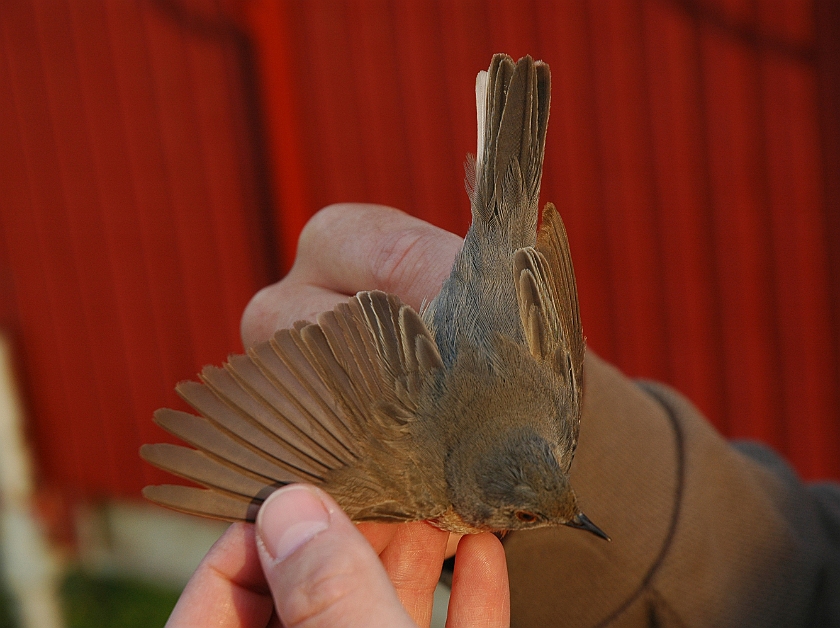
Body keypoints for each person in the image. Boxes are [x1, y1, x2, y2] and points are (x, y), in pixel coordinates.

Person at [167, 204, 840, 627]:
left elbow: (556, 354)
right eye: (525, 515)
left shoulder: (551, 432)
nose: (561, 519)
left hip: (507, 314)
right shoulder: (422, 484)